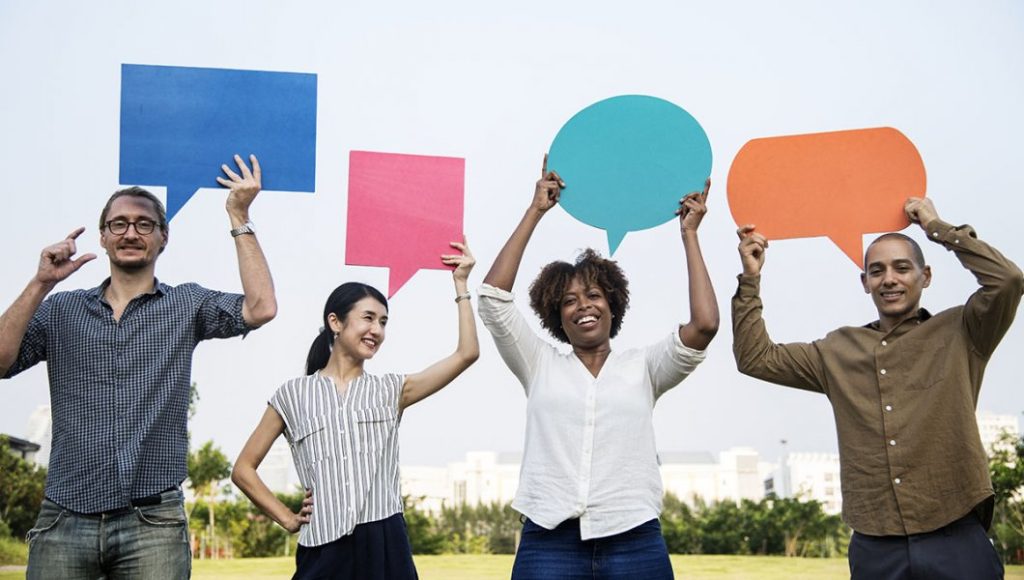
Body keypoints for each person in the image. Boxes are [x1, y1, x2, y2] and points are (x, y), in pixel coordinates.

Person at [0, 155, 276, 578]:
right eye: (119, 224)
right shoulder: (60, 309)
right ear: (104, 237)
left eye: (144, 224)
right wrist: (40, 284)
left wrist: (239, 214)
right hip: (65, 517)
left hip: (152, 523)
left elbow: (261, 308)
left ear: (163, 238)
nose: (131, 232)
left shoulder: (187, 305)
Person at [732, 197, 1023, 579]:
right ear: (865, 282)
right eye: (877, 270)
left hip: (956, 535)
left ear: (926, 276)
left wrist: (936, 227)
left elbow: (1008, 280)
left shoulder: (965, 331)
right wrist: (750, 278)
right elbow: (755, 358)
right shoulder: (836, 350)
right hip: (875, 543)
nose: (889, 279)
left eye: (902, 268)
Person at [477, 157, 719, 579]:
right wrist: (535, 210)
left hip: (633, 539)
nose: (583, 306)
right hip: (548, 540)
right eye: (569, 300)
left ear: (612, 304)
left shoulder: (644, 367)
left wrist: (689, 235)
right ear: (557, 315)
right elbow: (493, 298)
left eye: (593, 295)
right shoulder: (538, 364)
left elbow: (705, 325)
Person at [231, 241, 479, 580]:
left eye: (383, 322)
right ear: (336, 322)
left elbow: (466, 353)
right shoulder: (292, 394)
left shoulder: (393, 390)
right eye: (368, 318)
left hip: (385, 540)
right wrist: (287, 518)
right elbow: (244, 469)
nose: (376, 330)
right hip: (322, 546)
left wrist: (461, 285)